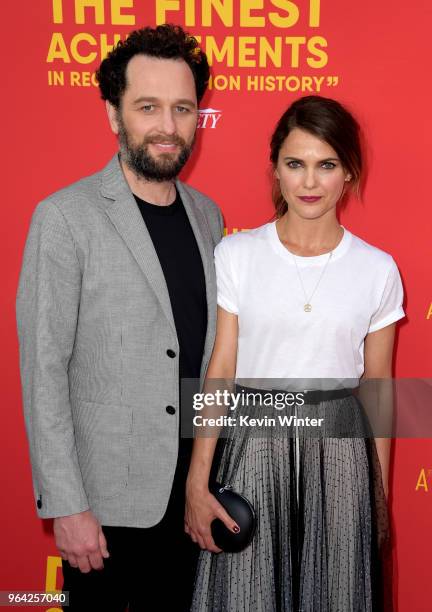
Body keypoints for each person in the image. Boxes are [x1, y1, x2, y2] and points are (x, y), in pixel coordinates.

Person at [16, 24, 224, 612]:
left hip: (191, 500)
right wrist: (67, 504)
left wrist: (204, 480)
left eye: (183, 108)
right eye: (148, 107)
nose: (167, 126)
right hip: (103, 511)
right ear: (114, 114)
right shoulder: (64, 217)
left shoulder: (208, 215)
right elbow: (43, 369)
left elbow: (209, 357)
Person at [185, 95, 404, 611]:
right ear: (275, 171)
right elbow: (221, 370)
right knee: (244, 595)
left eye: (326, 165)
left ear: (348, 172)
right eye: (295, 164)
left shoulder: (377, 269)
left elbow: (379, 389)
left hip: (342, 455)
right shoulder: (236, 255)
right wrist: (198, 481)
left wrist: (379, 496)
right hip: (251, 443)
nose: (309, 182)